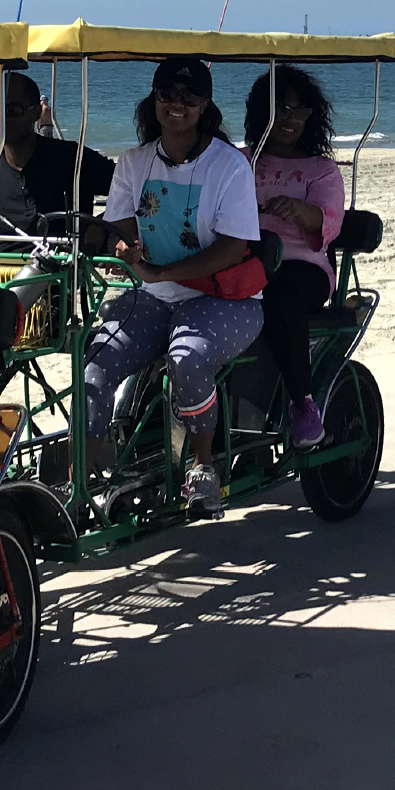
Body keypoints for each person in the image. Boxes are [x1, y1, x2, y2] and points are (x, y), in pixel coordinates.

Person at [84, 58, 265, 518]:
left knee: (186, 358)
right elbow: (120, 227)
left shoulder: (230, 165)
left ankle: (204, 467)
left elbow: (232, 248)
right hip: (152, 298)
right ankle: (84, 478)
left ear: (205, 106)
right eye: (167, 95)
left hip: (224, 297)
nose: (176, 105)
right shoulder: (133, 162)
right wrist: (126, 249)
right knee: (93, 364)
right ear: (154, 100)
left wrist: (165, 272)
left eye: (188, 98)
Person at [244, 65, 345, 450]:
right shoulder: (241, 160)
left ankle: (302, 402)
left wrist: (298, 210)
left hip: (304, 263)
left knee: (279, 293)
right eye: (281, 109)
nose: (289, 120)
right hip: (243, 260)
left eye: (299, 112)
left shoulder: (321, 170)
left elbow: (329, 221)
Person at [0, 71, 116, 241]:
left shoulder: (73, 159)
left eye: (12, 110)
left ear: (36, 113)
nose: (2, 119)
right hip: (5, 264)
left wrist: (100, 225)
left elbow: (133, 191)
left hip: (65, 262)